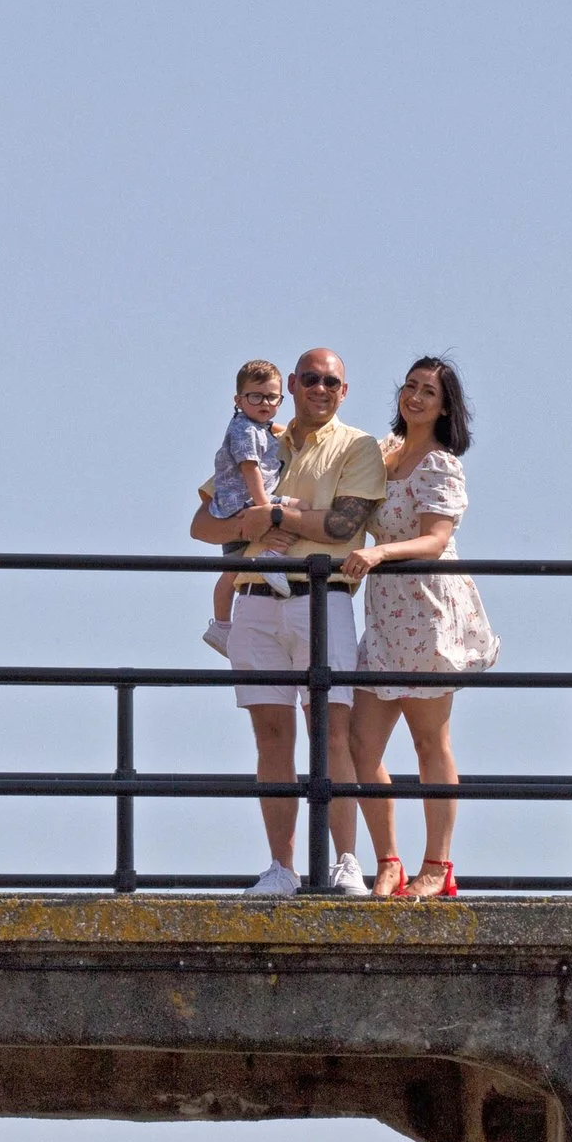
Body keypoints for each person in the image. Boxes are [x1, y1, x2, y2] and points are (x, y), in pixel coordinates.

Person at [188, 347, 387, 897]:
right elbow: (202, 525)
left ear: (344, 391)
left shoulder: (357, 445)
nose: (319, 389)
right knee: (271, 734)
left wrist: (271, 516)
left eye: (331, 381)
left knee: (333, 733)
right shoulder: (258, 436)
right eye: (310, 379)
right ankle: (281, 867)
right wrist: (254, 530)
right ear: (293, 385)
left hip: (323, 596)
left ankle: (346, 861)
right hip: (254, 595)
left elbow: (345, 522)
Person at [344, 357, 499, 899]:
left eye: (427, 391)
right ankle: (388, 860)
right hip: (385, 614)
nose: (414, 397)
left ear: (444, 405)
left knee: (429, 738)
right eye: (409, 386)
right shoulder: (384, 455)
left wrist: (380, 551)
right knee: (358, 742)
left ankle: (438, 866)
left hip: (427, 608)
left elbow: (435, 538)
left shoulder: (439, 464)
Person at [202, 360, 292, 657]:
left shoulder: (256, 427)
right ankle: (272, 561)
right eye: (256, 396)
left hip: (235, 503)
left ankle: (221, 626)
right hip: (245, 502)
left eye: (272, 397)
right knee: (297, 508)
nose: (264, 403)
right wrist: (265, 507)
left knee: (231, 569)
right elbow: (250, 468)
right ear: (238, 400)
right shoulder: (244, 431)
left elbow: (274, 430)